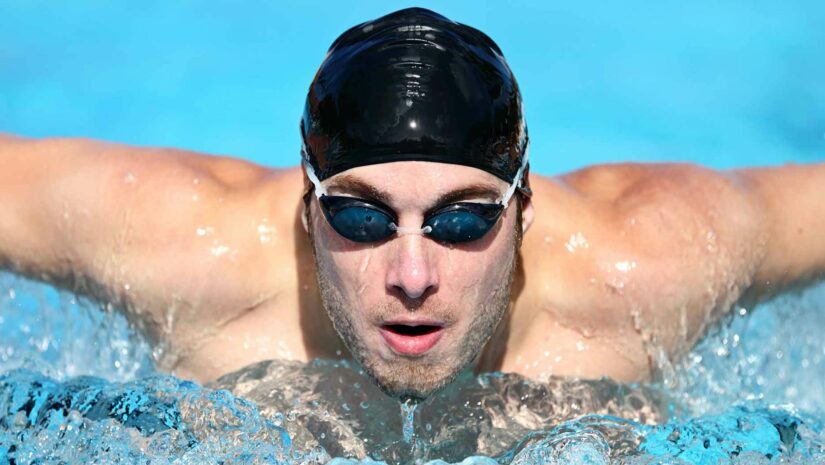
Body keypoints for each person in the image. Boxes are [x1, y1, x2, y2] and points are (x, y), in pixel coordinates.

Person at [0, 7, 823, 401]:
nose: (412, 273)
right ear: (304, 202)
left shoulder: (647, 263)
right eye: (360, 216)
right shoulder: (181, 247)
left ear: (524, 206)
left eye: (463, 220)